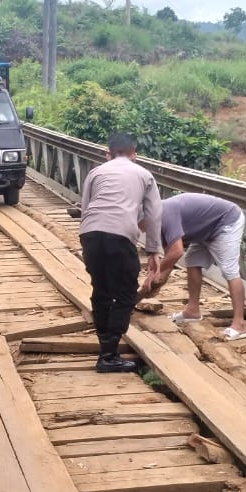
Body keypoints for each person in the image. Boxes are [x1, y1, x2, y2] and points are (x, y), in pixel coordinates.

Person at [79, 132, 162, 373]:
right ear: (134, 154)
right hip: (121, 234)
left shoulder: (96, 172)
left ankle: (106, 351)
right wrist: (154, 250)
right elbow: (154, 214)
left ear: (108, 154)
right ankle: (108, 354)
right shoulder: (144, 174)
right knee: (126, 293)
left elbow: (86, 207)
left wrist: (88, 237)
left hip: (90, 233)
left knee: (101, 290)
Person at [138, 192, 246, 341]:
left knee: (229, 270)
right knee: (192, 260)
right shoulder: (158, 223)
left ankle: (240, 324)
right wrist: (155, 284)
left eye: (142, 226)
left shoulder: (166, 215)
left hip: (226, 221)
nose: (142, 230)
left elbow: (177, 252)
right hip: (204, 229)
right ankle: (193, 311)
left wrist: (154, 274)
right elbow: (169, 260)